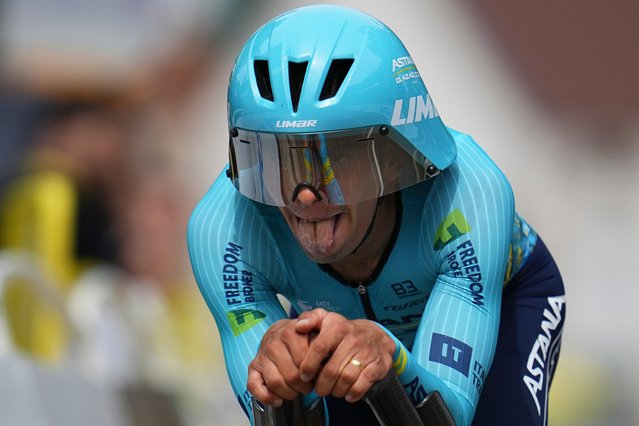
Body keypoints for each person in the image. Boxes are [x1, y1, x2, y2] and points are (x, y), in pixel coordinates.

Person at [187, 5, 565, 425]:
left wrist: (393, 359)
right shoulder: (222, 227)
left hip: (508, 298)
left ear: (392, 158)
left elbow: (447, 417)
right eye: (278, 161)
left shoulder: (470, 192)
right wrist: (279, 384)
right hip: (337, 325)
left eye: (335, 158)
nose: (306, 195)